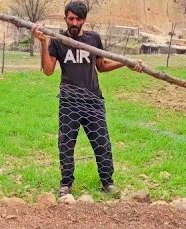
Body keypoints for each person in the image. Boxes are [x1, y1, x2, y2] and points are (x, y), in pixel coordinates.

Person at [32, 1, 144, 198]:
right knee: (66, 143)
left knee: (102, 142)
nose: (74, 23)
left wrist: (126, 63)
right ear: (66, 18)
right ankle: (66, 183)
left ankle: (107, 183)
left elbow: (101, 65)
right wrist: (43, 42)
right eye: (70, 18)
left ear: (84, 20)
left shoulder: (94, 39)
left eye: (78, 19)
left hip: (93, 100)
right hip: (69, 101)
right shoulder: (57, 40)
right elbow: (48, 71)